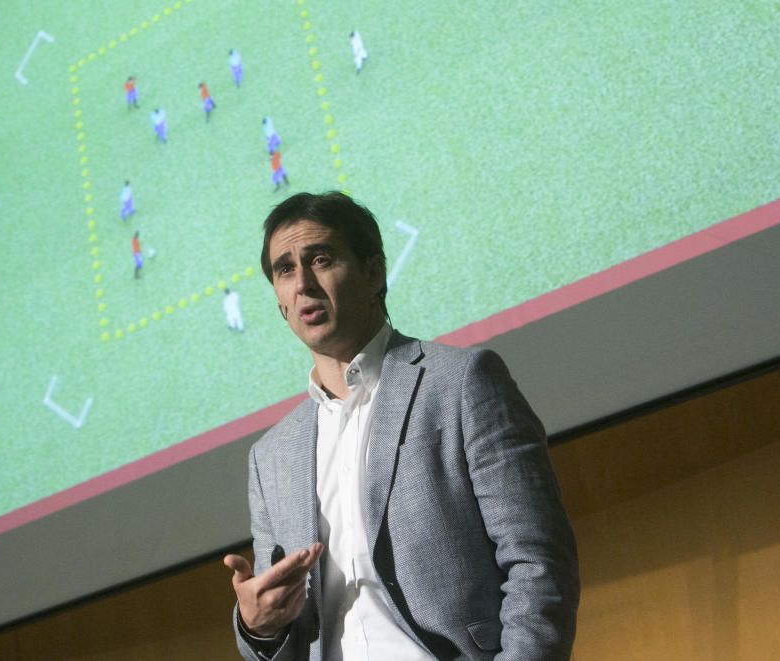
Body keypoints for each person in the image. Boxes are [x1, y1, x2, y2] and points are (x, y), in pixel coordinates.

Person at [224, 192, 580, 660]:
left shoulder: (462, 383)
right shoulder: (269, 458)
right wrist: (256, 626)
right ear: (279, 304)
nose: (303, 284)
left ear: (373, 272)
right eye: (285, 270)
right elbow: (282, 642)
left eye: (322, 259)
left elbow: (539, 564)